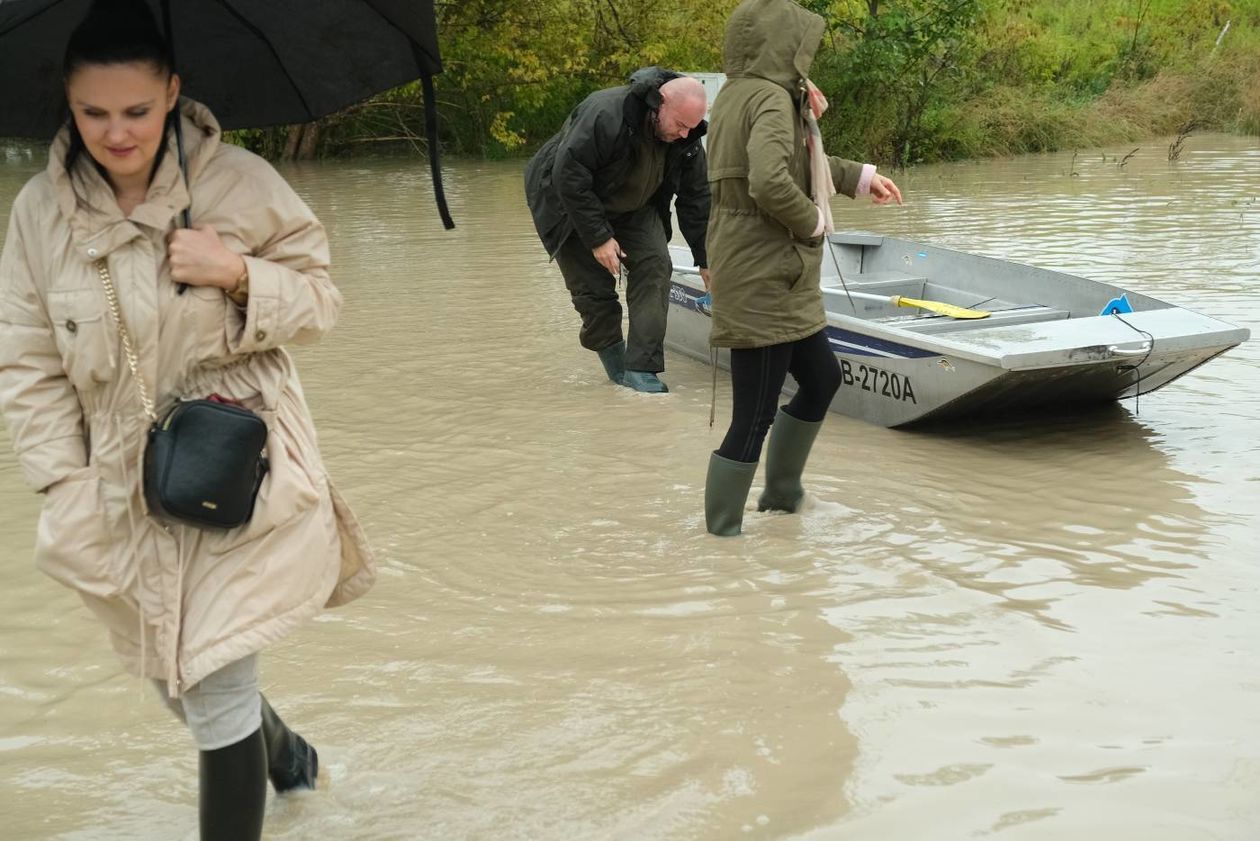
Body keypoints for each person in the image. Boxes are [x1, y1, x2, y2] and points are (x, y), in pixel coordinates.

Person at [0, 1, 375, 838]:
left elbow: (321, 302)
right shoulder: (37, 215)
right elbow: (26, 363)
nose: (117, 132)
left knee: (214, 684)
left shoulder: (239, 184)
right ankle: (285, 755)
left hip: (241, 466)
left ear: (173, 92)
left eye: (136, 110)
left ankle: (256, 755)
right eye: (94, 112)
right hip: (112, 487)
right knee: (173, 671)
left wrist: (238, 270)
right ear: (68, 102)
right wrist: (61, 483)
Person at [703, 0, 904, 535]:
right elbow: (769, 182)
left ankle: (782, 497)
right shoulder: (769, 98)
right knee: (754, 415)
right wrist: (814, 222)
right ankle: (722, 540)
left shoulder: (740, 93)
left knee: (821, 379)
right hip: (763, 273)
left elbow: (797, 162)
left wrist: (860, 178)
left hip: (778, 272)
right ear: (784, 45)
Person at [525, 67, 712, 393]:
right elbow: (568, 175)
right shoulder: (605, 112)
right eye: (680, 125)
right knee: (595, 294)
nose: (684, 134)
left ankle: (641, 369)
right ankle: (616, 371)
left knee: (656, 264)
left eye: (691, 128)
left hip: (634, 206)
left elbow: (696, 200)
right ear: (659, 102)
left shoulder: (687, 138)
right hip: (567, 203)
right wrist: (598, 238)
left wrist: (706, 258)